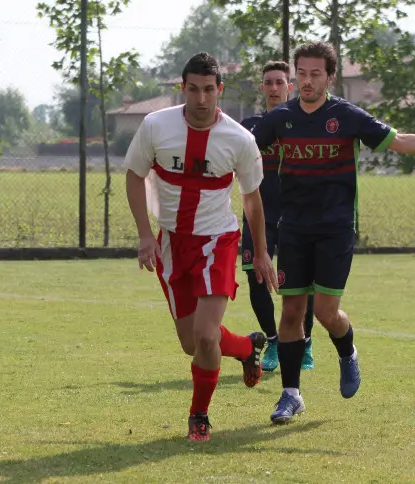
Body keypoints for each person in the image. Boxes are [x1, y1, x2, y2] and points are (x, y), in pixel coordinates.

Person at [252, 41, 415, 424]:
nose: (307, 81)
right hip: (294, 229)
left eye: (316, 74)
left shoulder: (346, 116)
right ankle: (291, 394)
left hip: (335, 230)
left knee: (328, 313)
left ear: (330, 77)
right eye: (301, 74)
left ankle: (347, 353)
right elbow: (240, 148)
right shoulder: (280, 117)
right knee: (291, 312)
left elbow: (399, 141)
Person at [124, 52, 280, 441]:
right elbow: (133, 176)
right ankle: (246, 347)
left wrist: (260, 252)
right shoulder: (155, 125)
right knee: (191, 342)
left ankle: (199, 415)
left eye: (209, 90)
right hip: (173, 244)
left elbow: (252, 199)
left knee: (207, 336)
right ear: (183, 88)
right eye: (193, 89)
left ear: (219, 91)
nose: (201, 99)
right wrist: (146, 236)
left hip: (218, 241)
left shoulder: (239, 140)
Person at [239, 60, 316, 374]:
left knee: (301, 282)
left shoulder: (304, 123)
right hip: (257, 214)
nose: (273, 88)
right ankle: (273, 339)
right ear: (262, 88)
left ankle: (304, 343)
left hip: (298, 216)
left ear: (290, 87)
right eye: (268, 82)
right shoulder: (248, 126)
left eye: (279, 82)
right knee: (255, 276)